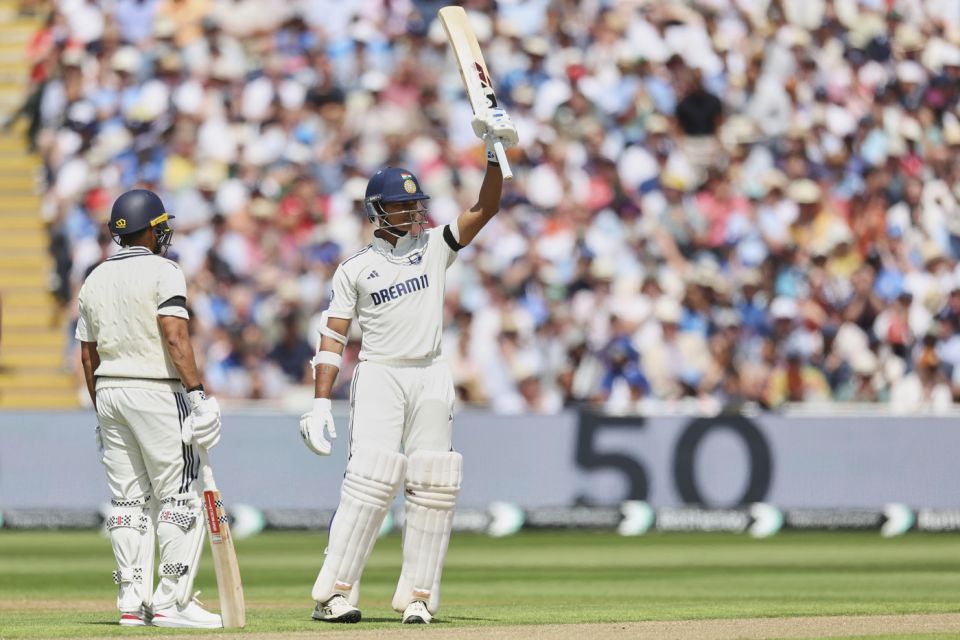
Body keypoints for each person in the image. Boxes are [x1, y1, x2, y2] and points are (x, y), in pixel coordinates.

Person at [299, 108, 518, 624]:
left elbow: (485, 208)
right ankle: (335, 594)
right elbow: (332, 335)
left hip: (431, 371)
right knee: (370, 480)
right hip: (379, 373)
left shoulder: (435, 247)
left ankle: (418, 597)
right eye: (401, 207)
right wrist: (318, 402)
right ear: (378, 212)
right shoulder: (356, 268)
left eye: (415, 204)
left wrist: (493, 152)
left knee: (435, 482)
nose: (414, 213)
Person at [75, 189, 223, 628]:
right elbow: (175, 335)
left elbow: (88, 355)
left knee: (127, 502)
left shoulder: (94, 277)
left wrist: (100, 409)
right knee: (180, 496)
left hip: (110, 391)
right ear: (148, 228)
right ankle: (170, 602)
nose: (165, 233)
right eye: (160, 226)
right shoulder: (165, 270)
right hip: (157, 391)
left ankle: (131, 601)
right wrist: (197, 395)